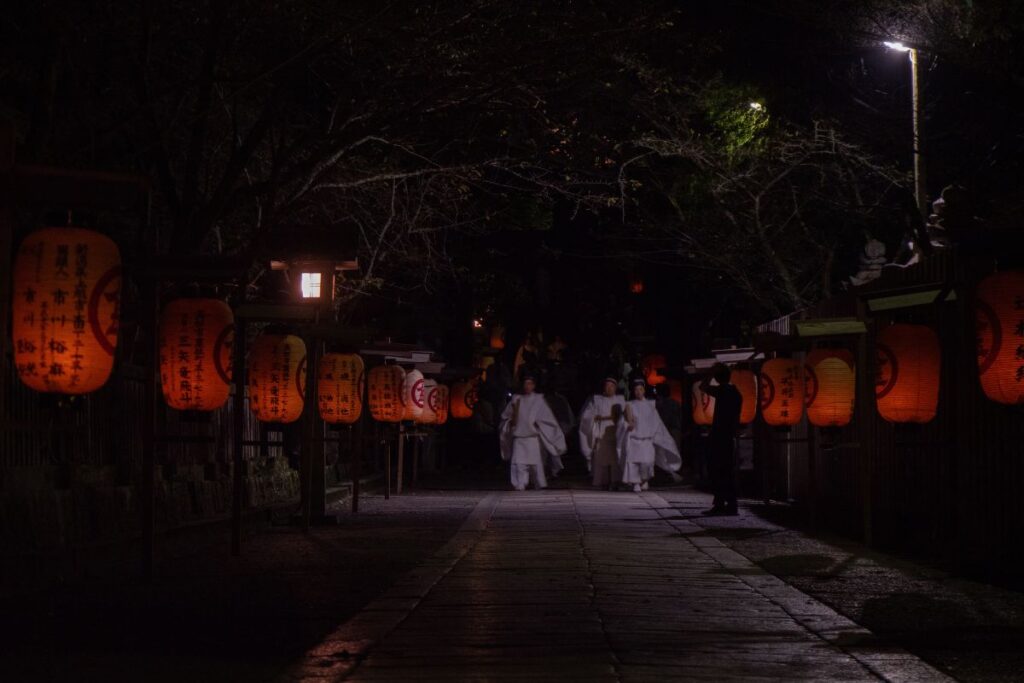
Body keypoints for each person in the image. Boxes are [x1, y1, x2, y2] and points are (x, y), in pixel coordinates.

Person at [499, 373, 567, 491]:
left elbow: (548, 419)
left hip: (532, 437)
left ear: (533, 386)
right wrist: (510, 422)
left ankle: (538, 482)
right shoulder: (516, 399)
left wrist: (539, 425)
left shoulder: (538, 400)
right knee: (518, 462)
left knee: (535, 463)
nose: (527, 386)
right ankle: (520, 483)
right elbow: (506, 416)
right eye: (525, 383)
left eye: (530, 384)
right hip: (519, 437)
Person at [617, 378, 682, 493]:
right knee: (633, 463)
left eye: (640, 389)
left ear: (644, 390)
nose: (638, 392)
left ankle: (644, 480)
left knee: (647, 462)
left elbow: (656, 422)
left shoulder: (650, 405)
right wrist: (627, 425)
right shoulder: (629, 405)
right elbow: (623, 421)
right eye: (636, 390)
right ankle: (635, 482)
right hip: (634, 439)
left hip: (647, 440)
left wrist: (656, 436)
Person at [699, 363, 742, 515]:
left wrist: (710, 372)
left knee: (717, 470)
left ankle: (720, 504)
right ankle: (731, 504)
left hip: (719, 434)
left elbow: (703, 386)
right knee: (727, 471)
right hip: (730, 435)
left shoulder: (722, 390)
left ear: (717, 378)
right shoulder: (736, 393)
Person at [578, 376, 626, 489]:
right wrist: (594, 417)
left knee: (615, 459)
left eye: (612, 386)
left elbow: (625, 416)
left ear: (615, 388)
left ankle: (615, 481)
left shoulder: (620, 400)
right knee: (601, 458)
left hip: (615, 433)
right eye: (607, 386)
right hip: (601, 433)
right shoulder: (596, 399)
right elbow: (586, 416)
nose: (609, 388)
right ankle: (601, 482)